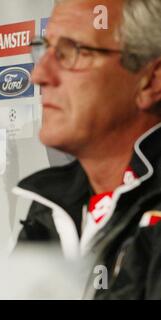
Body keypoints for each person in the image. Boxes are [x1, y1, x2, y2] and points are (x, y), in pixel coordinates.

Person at [14, 0, 161, 299]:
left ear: (150, 81)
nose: (39, 76)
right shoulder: (47, 207)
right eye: (44, 49)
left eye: (73, 53)